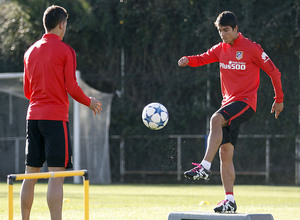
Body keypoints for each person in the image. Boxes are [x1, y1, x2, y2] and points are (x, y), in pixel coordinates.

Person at [178, 11, 284, 213]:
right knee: (225, 153)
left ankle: (204, 167)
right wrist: (188, 60)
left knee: (216, 119)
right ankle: (229, 200)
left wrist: (279, 100)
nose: (223, 34)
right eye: (220, 31)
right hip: (229, 104)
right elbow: (202, 58)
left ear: (236, 29)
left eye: (226, 30)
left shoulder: (252, 49)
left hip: (245, 103)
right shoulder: (221, 48)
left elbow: (274, 72)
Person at [21, 5, 102, 220]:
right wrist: (89, 102)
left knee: (30, 176)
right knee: (56, 176)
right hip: (55, 119)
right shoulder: (66, 51)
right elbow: (72, 88)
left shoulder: (30, 51)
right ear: (61, 24)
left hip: (33, 118)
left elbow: (27, 91)